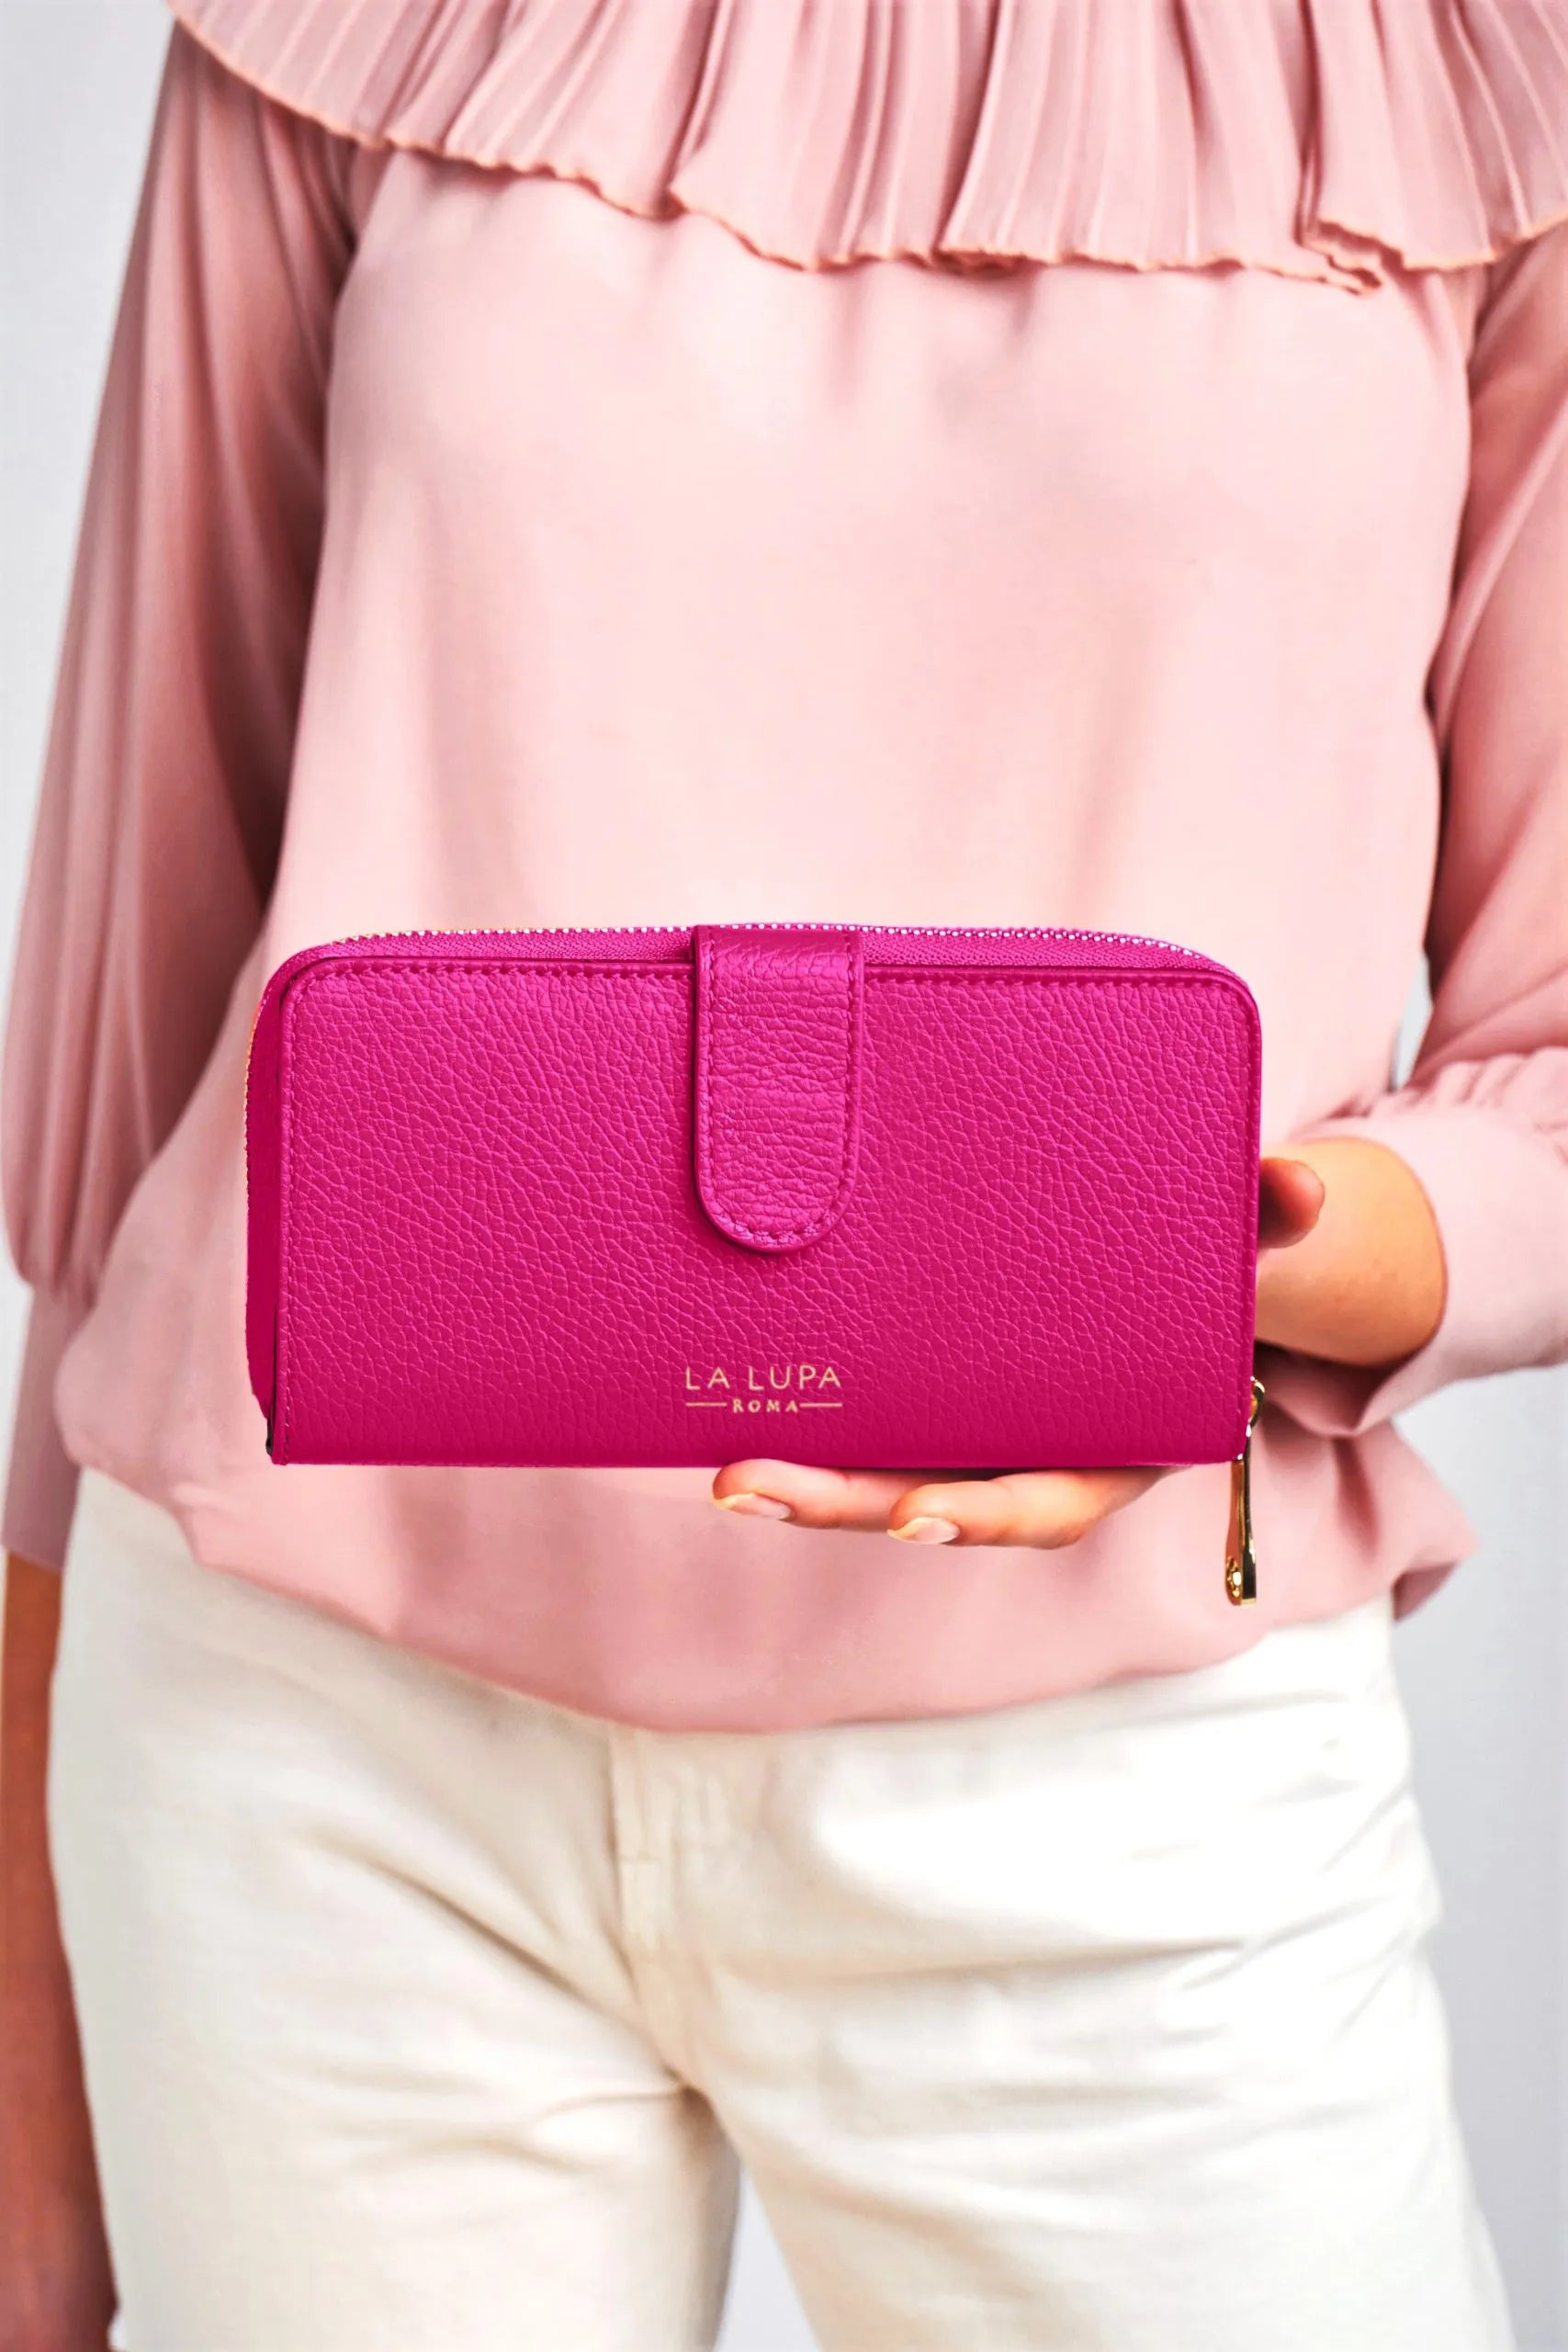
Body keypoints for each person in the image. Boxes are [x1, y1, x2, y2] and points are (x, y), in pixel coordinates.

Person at [3, 2, 1565, 2345]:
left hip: (1113, 1777)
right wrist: (27, 2069)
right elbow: (133, 1084)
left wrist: (1198, 1279)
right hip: (308, 1750)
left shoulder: (1477, 65)